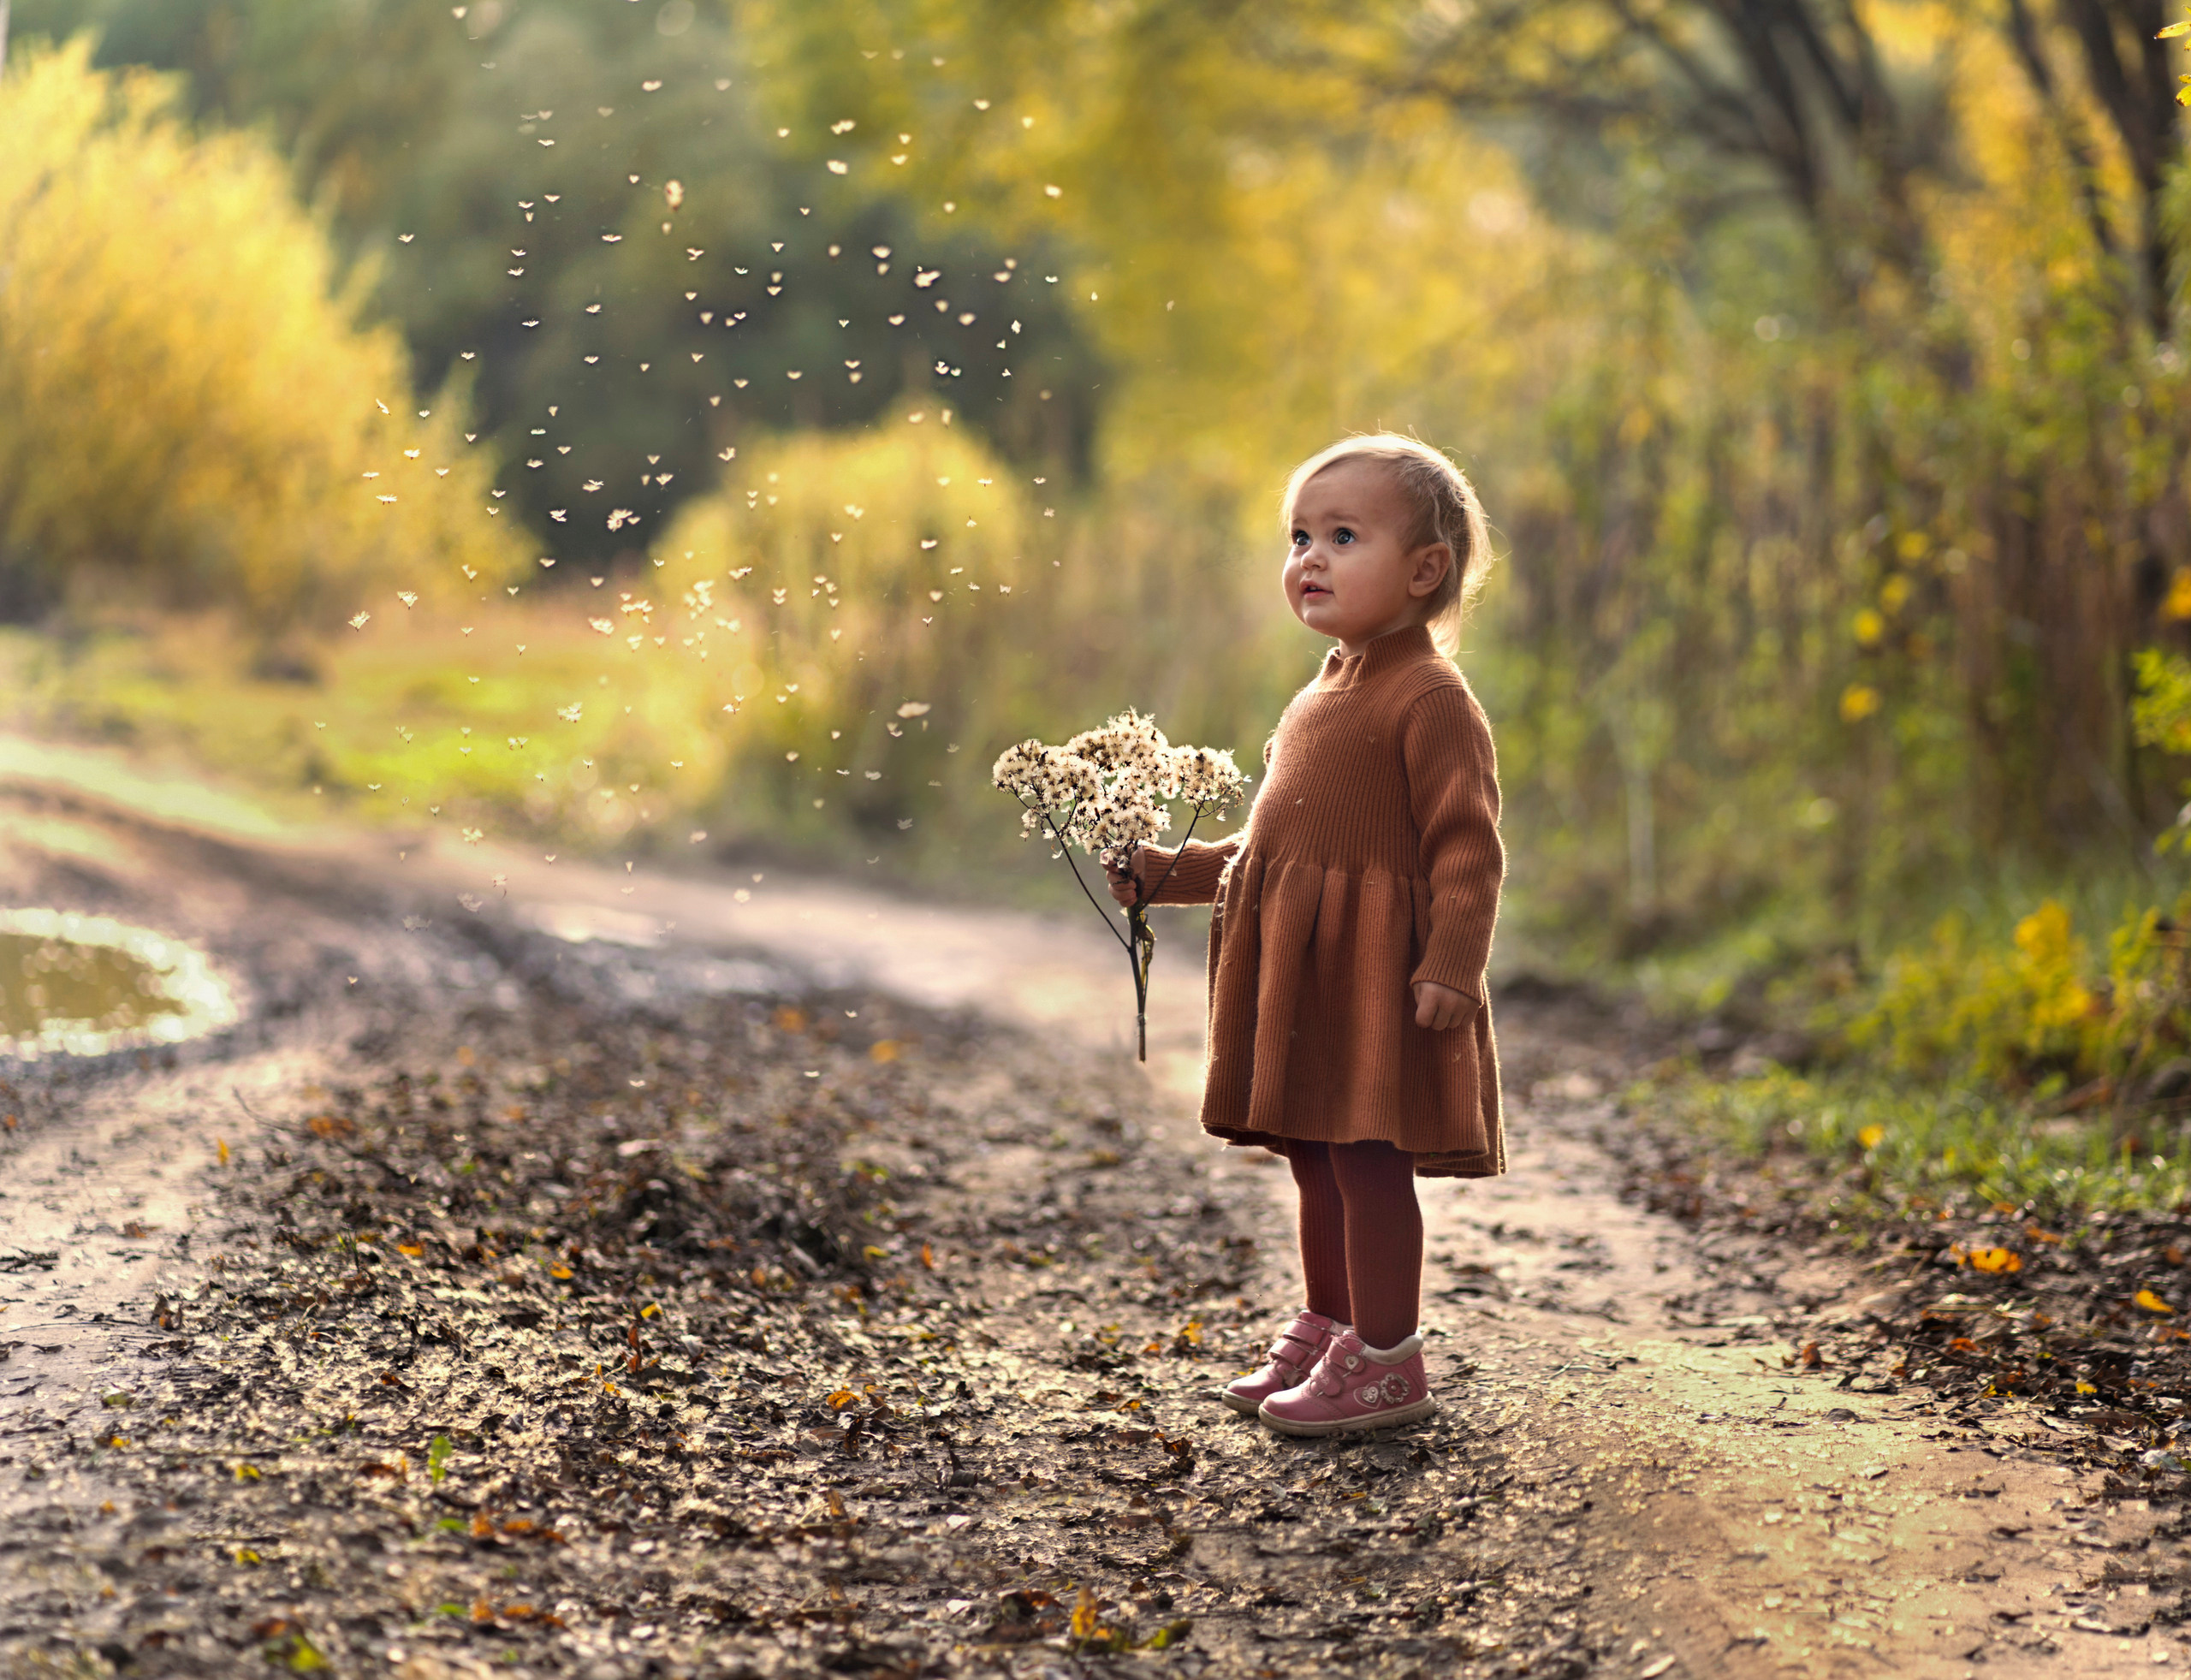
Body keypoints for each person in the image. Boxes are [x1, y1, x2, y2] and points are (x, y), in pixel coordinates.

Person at [1106, 433, 1505, 1436]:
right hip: (1309, 974)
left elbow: (1468, 847)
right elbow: (1268, 848)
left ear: (1424, 571)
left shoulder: (1430, 699)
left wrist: (1451, 965)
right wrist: (1167, 875)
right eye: (1298, 536)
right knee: (1314, 1160)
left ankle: (1386, 1359)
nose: (1308, 558)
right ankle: (1333, 1321)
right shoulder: (1321, 692)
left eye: (1341, 535)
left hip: (1375, 976)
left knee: (1368, 1158)